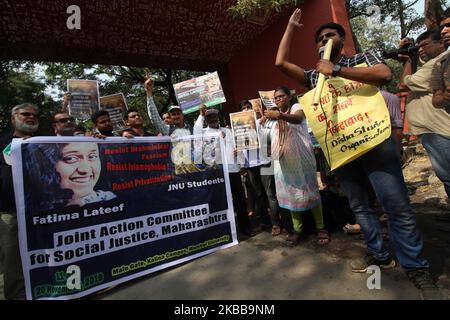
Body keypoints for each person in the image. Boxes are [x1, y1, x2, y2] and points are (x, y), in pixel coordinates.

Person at [275, 8, 442, 299]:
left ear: (342, 39)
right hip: (343, 153)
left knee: (396, 206)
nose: (325, 40)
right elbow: (280, 63)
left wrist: (337, 70)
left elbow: (384, 74)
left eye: (330, 35)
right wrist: (290, 27)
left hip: (377, 145)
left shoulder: (361, 58)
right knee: (361, 208)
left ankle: (415, 267)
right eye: (320, 38)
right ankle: (379, 255)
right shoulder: (315, 77)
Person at [263, 87, 329, 246]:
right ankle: (297, 230)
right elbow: (267, 140)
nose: (278, 99)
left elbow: (298, 119)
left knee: (311, 192)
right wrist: (265, 122)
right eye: (276, 97)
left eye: (281, 96)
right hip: (284, 162)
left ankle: (321, 228)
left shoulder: (296, 108)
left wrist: (278, 115)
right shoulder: (271, 117)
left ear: (289, 97)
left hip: (302, 161)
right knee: (291, 194)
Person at [399, 28, 450, 199]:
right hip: (435, 130)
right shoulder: (436, 64)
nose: (420, 49)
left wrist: (407, 61)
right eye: (418, 47)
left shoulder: (436, 64)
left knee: (448, 177)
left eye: (425, 45)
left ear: (441, 43)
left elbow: (404, 84)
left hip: (438, 131)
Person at [194, 106, 254, 237]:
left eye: (214, 115)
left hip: (233, 170)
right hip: (216, 171)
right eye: (209, 116)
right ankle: (226, 232)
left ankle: (245, 228)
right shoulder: (203, 133)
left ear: (218, 117)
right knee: (221, 201)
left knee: (239, 200)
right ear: (206, 119)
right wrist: (200, 115)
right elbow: (196, 131)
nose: (212, 118)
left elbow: (237, 147)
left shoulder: (228, 130)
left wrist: (240, 161)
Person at [0, 103, 39, 300]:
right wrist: (17, 147)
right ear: (13, 118)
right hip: (12, 212)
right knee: (13, 259)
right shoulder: (3, 142)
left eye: (34, 116)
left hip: (41, 212)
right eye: (25, 114)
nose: (31, 117)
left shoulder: (44, 142)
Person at [24, 142, 116, 209]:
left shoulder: (110, 200)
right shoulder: (37, 209)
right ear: (48, 164)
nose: (85, 170)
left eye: (92, 157)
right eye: (70, 158)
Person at [431, 8, 450, 114]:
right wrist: (445, 97)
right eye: (442, 27)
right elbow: (435, 100)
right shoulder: (440, 63)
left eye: (449, 25)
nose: (443, 31)